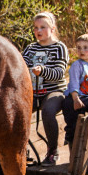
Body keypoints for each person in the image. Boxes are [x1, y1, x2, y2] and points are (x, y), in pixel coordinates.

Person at [22, 12, 69, 165]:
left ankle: (52, 151)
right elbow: (21, 67)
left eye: (43, 27)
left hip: (53, 91)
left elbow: (59, 73)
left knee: (48, 111)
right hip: (33, 92)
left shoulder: (59, 48)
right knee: (16, 112)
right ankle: (20, 150)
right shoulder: (30, 48)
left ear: (52, 28)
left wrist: (42, 71)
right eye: (36, 27)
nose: (38, 31)